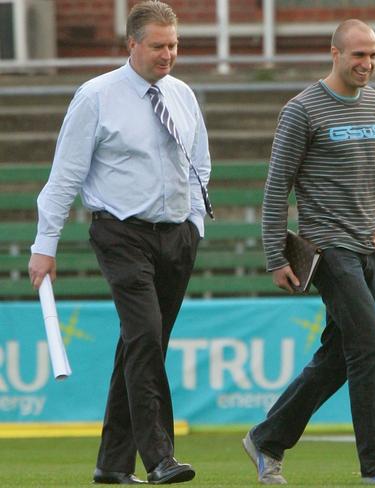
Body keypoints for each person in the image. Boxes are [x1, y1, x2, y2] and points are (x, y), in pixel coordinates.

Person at [28, 1, 210, 484]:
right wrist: (44, 246)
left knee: (142, 345)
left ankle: (111, 465)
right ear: (131, 43)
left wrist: (195, 223)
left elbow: (199, 162)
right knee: (146, 337)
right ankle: (160, 458)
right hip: (120, 233)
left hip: (176, 236)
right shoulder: (96, 96)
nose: (168, 54)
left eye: (173, 44)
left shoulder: (184, 95)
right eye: (158, 45)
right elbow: (64, 177)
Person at [243, 19, 375, 485]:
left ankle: (267, 438)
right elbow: (277, 186)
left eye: (374, 55)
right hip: (329, 249)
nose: (367, 64)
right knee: (372, 352)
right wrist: (275, 253)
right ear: (335, 53)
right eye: (359, 55)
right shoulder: (301, 110)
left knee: (339, 356)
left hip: (370, 250)